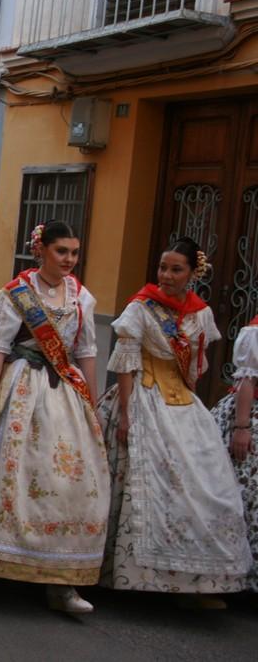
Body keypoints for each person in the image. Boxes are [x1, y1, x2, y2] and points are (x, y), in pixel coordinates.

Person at [0, 221, 109, 613]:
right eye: (61, 251)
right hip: (21, 387)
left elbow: (86, 352)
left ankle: (61, 580)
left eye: (74, 253)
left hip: (65, 395)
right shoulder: (17, 293)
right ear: (41, 250)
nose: (69, 259)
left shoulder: (81, 297)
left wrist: (90, 402)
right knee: (11, 475)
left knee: (69, 482)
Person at [97, 238, 251, 606]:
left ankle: (194, 582)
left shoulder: (200, 314)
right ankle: (127, 573)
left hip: (182, 404)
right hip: (142, 397)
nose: (166, 275)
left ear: (193, 273)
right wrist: (126, 413)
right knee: (141, 484)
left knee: (201, 485)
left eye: (175, 269)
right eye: (163, 268)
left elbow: (196, 366)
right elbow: (125, 364)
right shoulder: (140, 308)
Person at [212, 313, 258, 593]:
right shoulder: (256, 331)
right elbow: (247, 382)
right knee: (245, 492)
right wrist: (242, 427)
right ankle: (237, 574)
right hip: (250, 417)